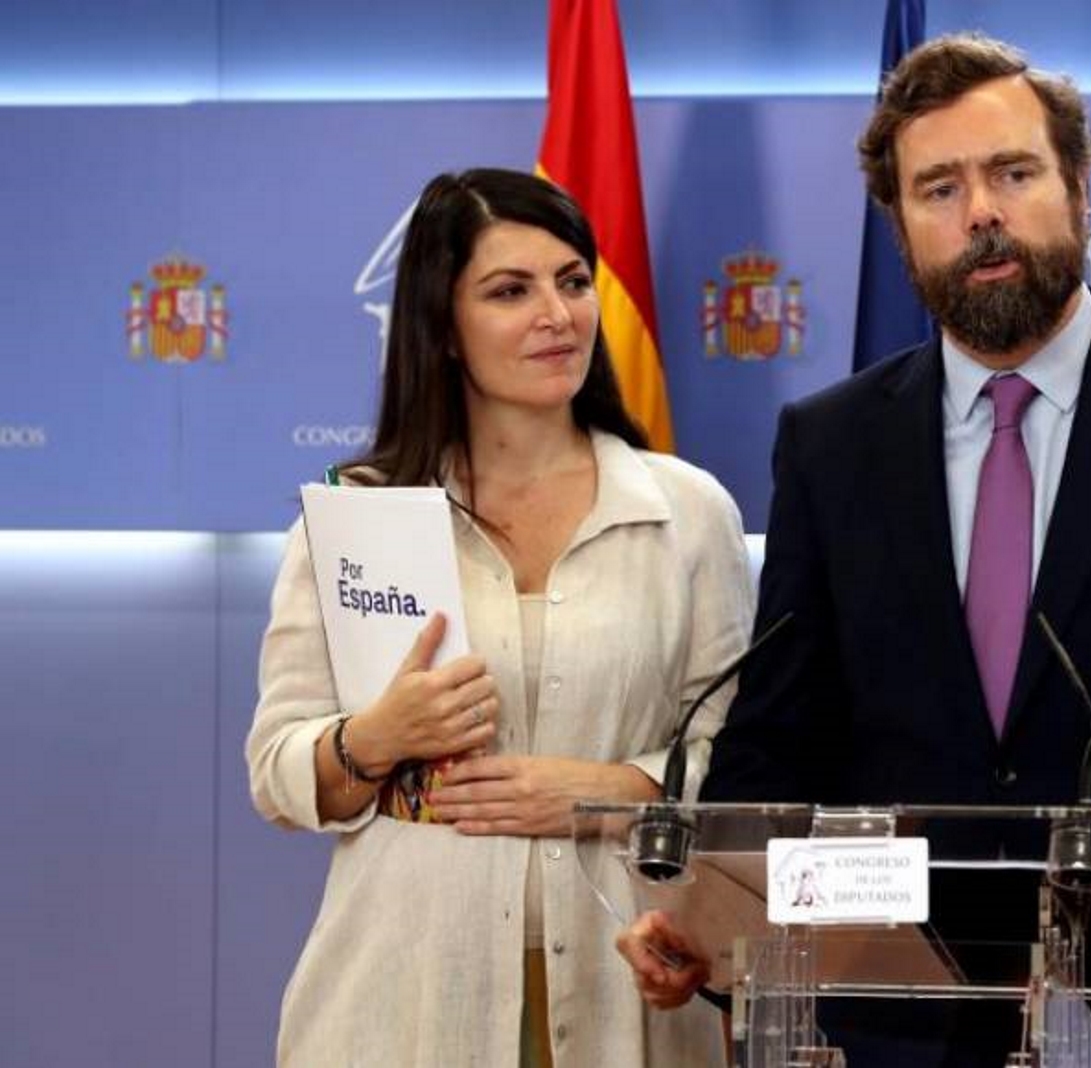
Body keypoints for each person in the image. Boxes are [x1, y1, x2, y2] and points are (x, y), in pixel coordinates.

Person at [617, 33, 1091, 1068]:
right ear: (900, 228)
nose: (979, 212)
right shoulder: (831, 443)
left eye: (1012, 173)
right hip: (893, 1023)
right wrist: (705, 920)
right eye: (937, 189)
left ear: (1075, 188)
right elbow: (778, 737)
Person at [247, 168, 753, 1067]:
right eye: (509, 291)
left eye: (570, 280)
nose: (556, 315)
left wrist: (609, 792)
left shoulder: (689, 510)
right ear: (442, 327)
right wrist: (373, 737)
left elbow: (742, 763)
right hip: (397, 1003)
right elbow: (279, 774)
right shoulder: (356, 514)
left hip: (631, 992)